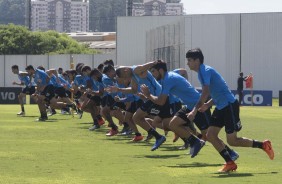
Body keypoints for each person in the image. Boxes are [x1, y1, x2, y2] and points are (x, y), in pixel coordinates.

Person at [186, 48, 274, 172]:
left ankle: (263, 145)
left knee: (232, 141)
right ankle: (230, 163)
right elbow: (217, 90)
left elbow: (206, 92)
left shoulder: (205, 71)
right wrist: (208, 104)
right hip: (220, 106)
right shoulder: (201, 72)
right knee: (210, 135)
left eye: (189, 60)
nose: (187, 63)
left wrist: (194, 111)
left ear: (197, 60)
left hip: (229, 106)